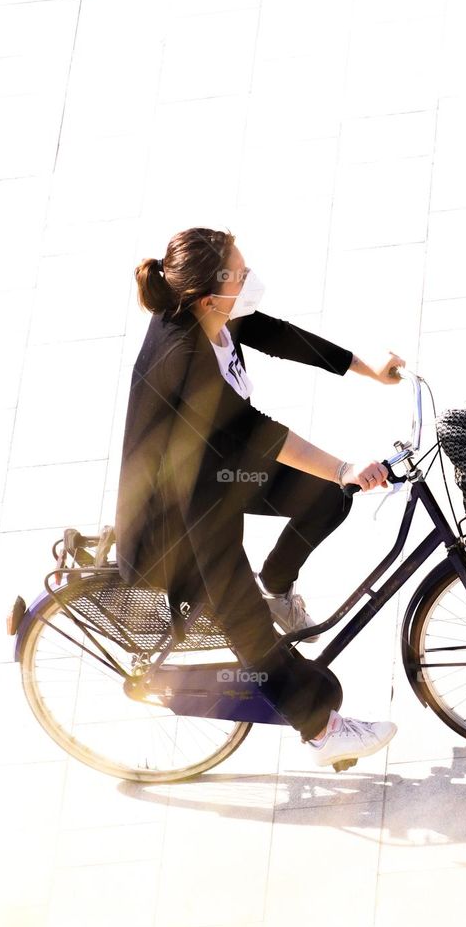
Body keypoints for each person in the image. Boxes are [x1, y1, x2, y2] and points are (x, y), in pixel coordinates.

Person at [114, 226, 405, 767]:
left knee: (327, 495)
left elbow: (279, 335)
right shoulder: (183, 357)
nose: (249, 281)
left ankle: (277, 587)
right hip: (178, 512)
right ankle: (321, 733)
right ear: (209, 296)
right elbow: (259, 433)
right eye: (240, 275)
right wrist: (345, 465)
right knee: (245, 623)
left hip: (217, 474)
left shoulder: (211, 312)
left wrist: (366, 368)